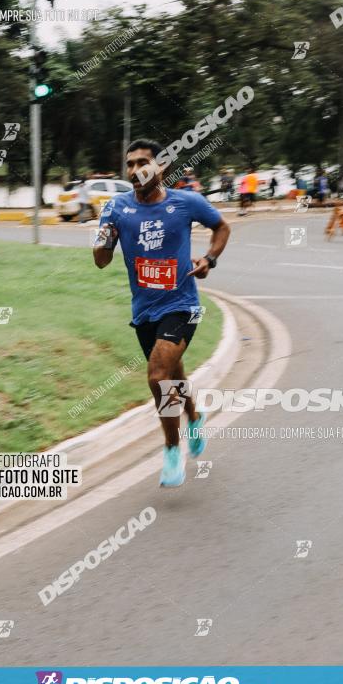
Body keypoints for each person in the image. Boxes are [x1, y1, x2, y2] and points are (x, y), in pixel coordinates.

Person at [93, 138, 230, 487]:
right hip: (144, 311)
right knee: (173, 374)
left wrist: (209, 259)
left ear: (161, 167)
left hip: (184, 305)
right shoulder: (116, 207)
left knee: (158, 377)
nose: (136, 170)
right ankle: (195, 418)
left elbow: (222, 227)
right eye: (130, 163)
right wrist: (103, 239)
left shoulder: (186, 203)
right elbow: (101, 261)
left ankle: (172, 449)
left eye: (144, 162)